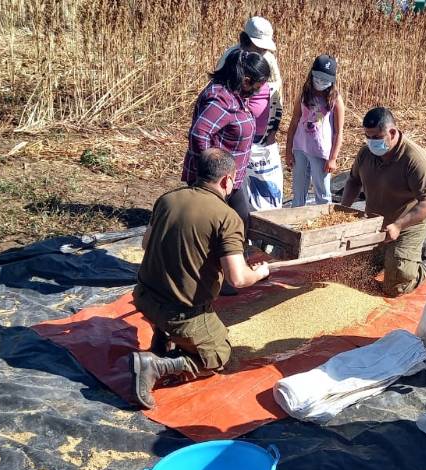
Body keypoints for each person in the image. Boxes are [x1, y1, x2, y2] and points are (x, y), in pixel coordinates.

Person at [131, 149, 271, 410]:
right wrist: (260, 273)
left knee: (173, 293)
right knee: (219, 355)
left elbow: (145, 243)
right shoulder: (226, 217)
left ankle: (161, 340)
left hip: (144, 297)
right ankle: (158, 366)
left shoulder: (168, 199)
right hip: (181, 313)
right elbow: (238, 279)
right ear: (227, 180)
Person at [341, 107, 426, 297]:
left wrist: (398, 225)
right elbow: (353, 181)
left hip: (406, 227)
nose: (372, 142)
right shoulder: (366, 154)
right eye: (368, 137)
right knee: (353, 272)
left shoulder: (415, 160)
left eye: (376, 137)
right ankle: (386, 255)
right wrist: (343, 210)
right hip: (375, 223)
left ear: (391, 132)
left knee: (395, 286)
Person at [181, 48, 271, 241]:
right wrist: (211, 175)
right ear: (246, 81)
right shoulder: (221, 99)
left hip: (230, 179)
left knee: (240, 223)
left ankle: (231, 265)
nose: (258, 90)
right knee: (217, 228)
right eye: (258, 85)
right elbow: (199, 133)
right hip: (216, 181)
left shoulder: (235, 94)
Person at [285, 54, 345, 207]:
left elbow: (338, 132)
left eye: (325, 80)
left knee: (322, 192)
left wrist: (333, 158)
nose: (320, 82)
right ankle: (296, 219)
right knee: (298, 190)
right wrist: (288, 150)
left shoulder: (335, 100)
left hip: (320, 152)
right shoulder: (305, 94)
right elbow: (294, 122)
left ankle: (324, 224)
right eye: (317, 78)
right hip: (300, 148)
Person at [216, 16, 283, 147]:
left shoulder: (269, 59)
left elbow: (277, 95)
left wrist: (272, 132)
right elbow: (218, 91)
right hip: (231, 131)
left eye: (264, 48)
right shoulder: (231, 57)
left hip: (259, 133)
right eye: (258, 47)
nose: (262, 51)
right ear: (246, 40)